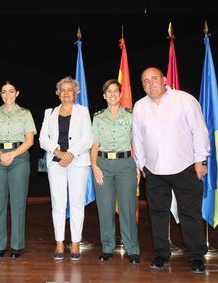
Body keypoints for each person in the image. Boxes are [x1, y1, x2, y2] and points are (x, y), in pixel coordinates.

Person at [132, 67, 210, 273]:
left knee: (189, 213)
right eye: (145, 81)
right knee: (157, 213)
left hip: (185, 167)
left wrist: (200, 160)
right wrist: (141, 164)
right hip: (154, 170)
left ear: (164, 79)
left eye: (154, 79)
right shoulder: (139, 107)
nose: (150, 84)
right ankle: (161, 254)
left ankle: (196, 256)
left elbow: (199, 130)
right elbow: (137, 138)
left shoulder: (184, 100)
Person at [39, 76, 93, 261]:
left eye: (70, 90)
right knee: (58, 204)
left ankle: (76, 242)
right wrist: (58, 152)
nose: (66, 93)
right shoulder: (49, 112)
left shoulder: (83, 111)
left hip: (78, 163)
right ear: (58, 93)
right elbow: (42, 139)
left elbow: (88, 138)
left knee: (77, 204)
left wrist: (70, 154)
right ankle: (60, 242)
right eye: (63, 90)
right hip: (56, 163)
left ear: (76, 93)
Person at [0, 81, 37, 259]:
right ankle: (0, 245)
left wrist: (12, 154)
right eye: (4, 92)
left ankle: (17, 245)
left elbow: (29, 141)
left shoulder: (25, 114)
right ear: (0, 94)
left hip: (19, 158)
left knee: (18, 203)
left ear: (17, 93)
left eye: (11, 91)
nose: (7, 95)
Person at [91, 79, 140, 264]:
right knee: (105, 208)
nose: (112, 94)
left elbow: (137, 142)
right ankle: (107, 247)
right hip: (103, 164)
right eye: (108, 92)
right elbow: (94, 144)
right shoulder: (98, 117)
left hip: (125, 164)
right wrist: (94, 166)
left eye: (115, 91)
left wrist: (137, 166)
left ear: (120, 95)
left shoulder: (130, 115)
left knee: (128, 207)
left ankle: (132, 248)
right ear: (104, 96)